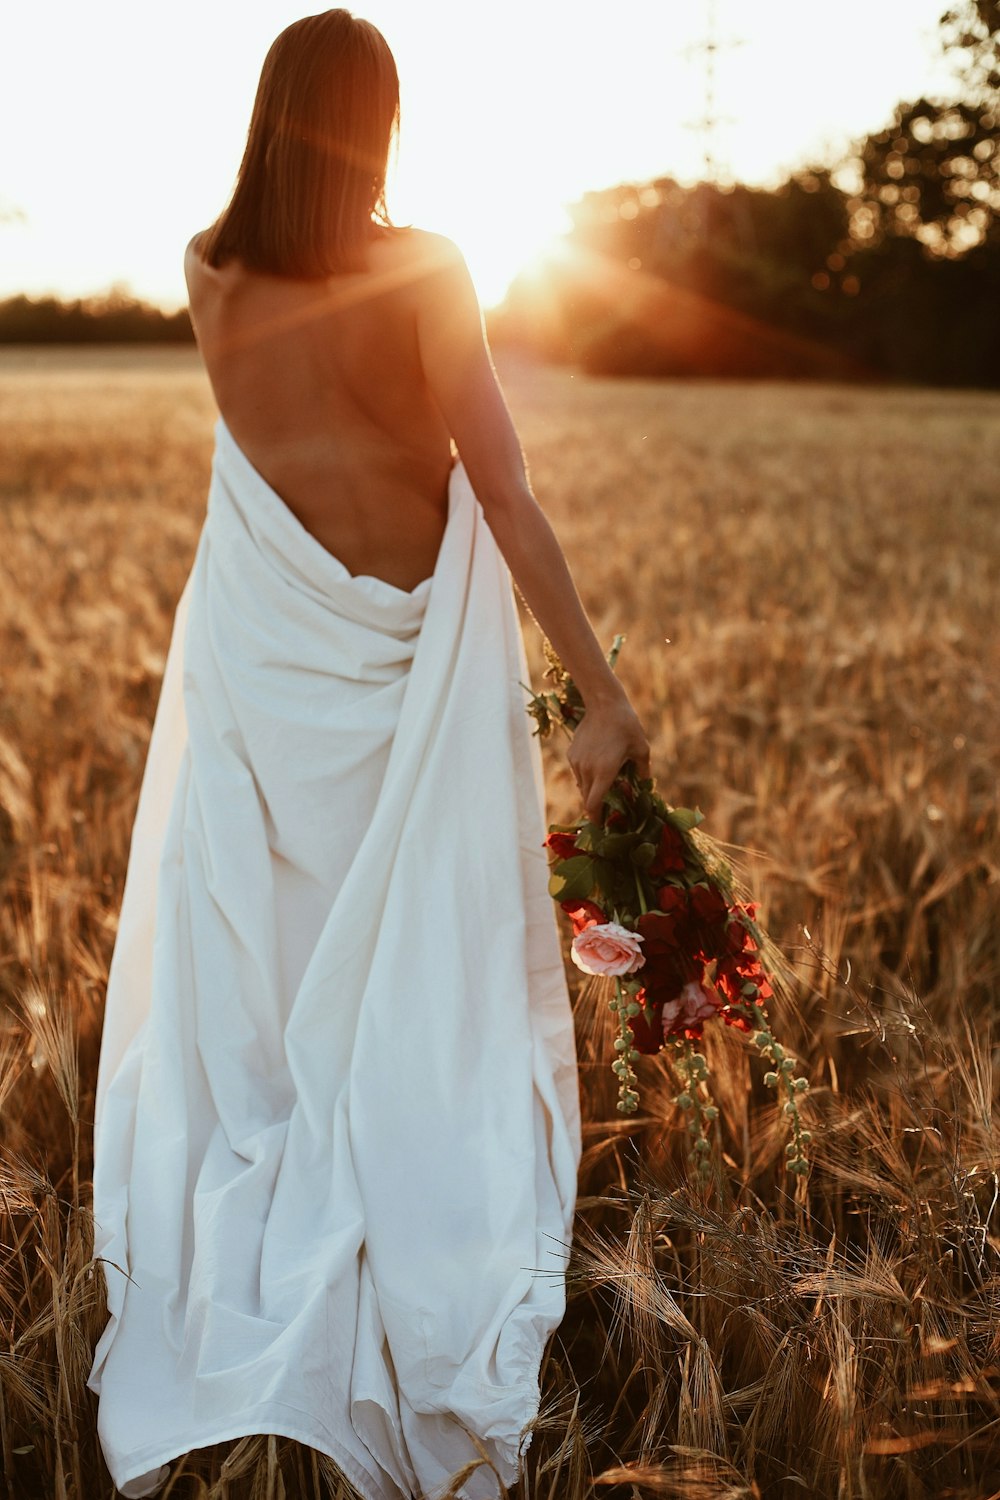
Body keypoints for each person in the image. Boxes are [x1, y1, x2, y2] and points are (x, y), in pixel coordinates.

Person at [87, 10, 650, 1500]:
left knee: (279, 984)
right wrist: (600, 693)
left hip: (270, 667)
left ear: (273, 115)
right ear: (380, 124)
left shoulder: (205, 269)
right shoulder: (426, 269)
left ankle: (254, 1274)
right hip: (405, 675)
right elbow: (507, 500)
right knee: (416, 977)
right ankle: (398, 1239)